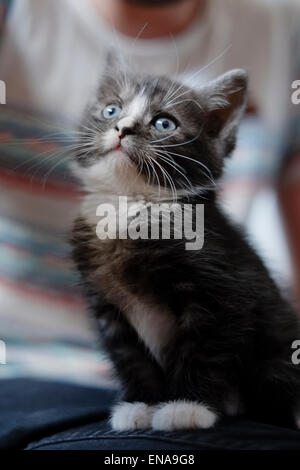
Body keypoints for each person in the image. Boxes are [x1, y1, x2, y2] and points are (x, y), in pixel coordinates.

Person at [0, 0, 299, 450]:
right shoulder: (18, 14)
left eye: (161, 123)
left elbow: (224, 319)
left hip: (241, 389)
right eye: (111, 112)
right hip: (32, 372)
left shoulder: (286, 28)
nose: (124, 128)